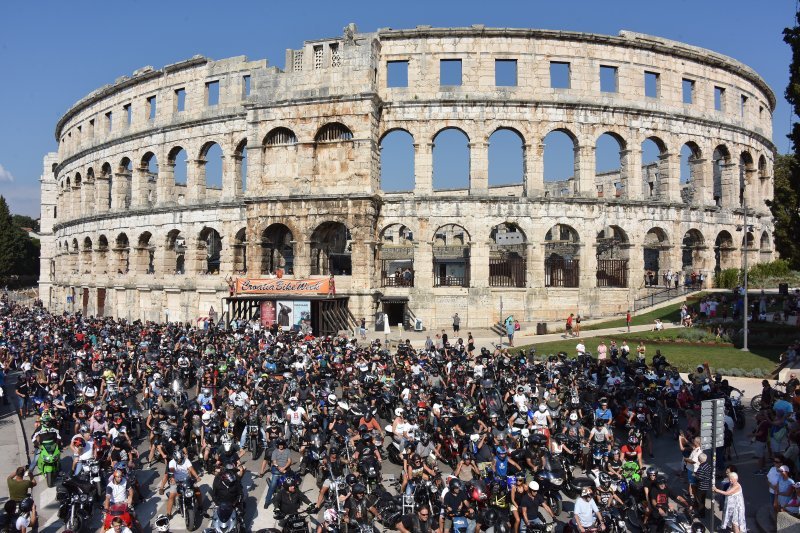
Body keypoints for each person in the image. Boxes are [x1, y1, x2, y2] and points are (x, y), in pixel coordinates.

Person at [264, 439, 292, 508]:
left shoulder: (288, 451)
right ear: (277, 445)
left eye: (282, 445)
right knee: (272, 486)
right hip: (276, 470)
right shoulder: (275, 452)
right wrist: (280, 468)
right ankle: (267, 501)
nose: (280, 446)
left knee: (288, 486)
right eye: (279, 445)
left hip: (285, 470)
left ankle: (288, 501)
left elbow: (289, 461)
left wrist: (284, 468)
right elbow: (274, 462)